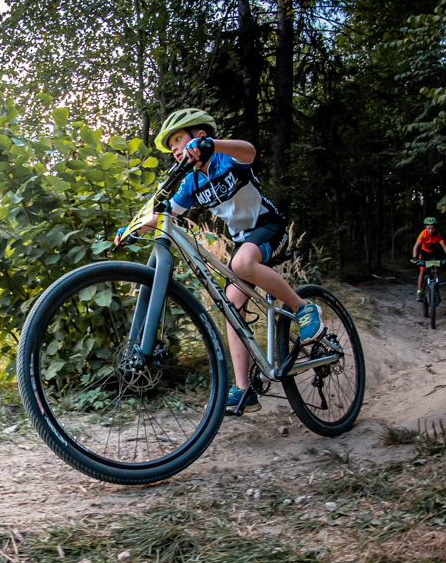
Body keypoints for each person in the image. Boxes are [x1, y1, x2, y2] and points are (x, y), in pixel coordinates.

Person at [117, 108, 325, 415]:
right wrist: (132, 229)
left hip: (269, 226)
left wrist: (214, 145)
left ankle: (304, 308)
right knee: (231, 304)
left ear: (200, 136)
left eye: (178, 140)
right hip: (243, 241)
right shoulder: (192, 182)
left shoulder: (225, 158)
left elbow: (249, 151)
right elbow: (166, 213)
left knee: (241, 264)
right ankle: (244, 391)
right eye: (171, 146)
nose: (174, 149)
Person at [411, 216, 446, 300]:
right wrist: (414, 258)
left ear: (435, 228)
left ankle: (435, 290)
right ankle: (419, 292)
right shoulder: (423, 234)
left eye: (432, 228)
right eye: (429, 228)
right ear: (425, 227)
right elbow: (416, 246)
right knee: (422, 271)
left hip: (432, 254)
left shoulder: (437, 234)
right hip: (424, 253)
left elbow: (444, 246)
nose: (431, 230)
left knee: (435, 270)